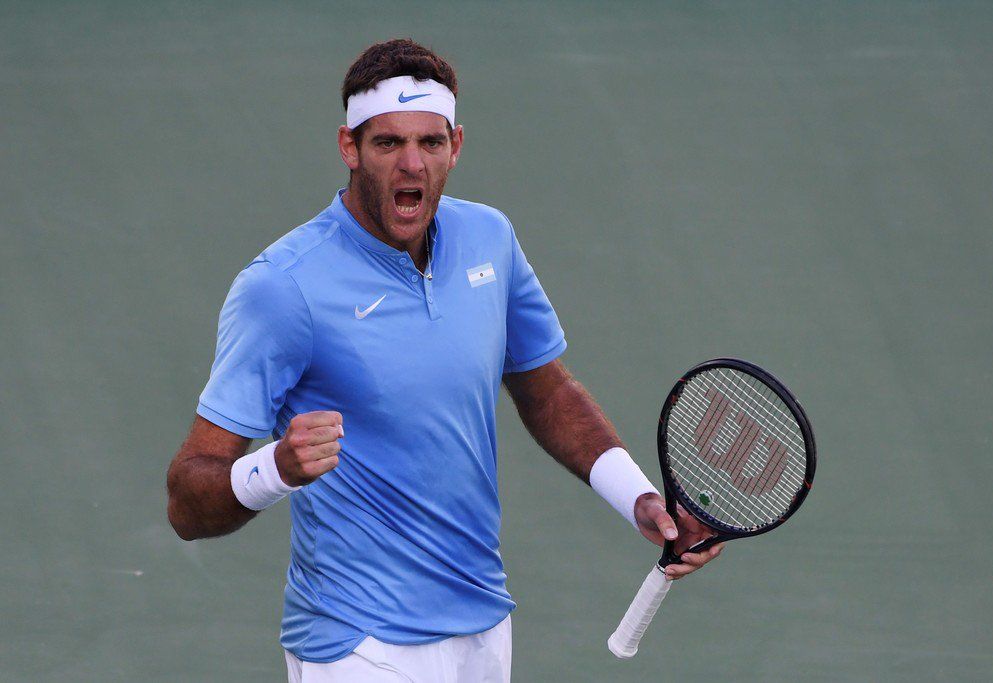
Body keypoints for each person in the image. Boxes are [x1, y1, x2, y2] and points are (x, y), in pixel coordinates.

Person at [166, 38, 722, 682]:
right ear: (349, 147)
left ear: (455, 146)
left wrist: (641, 501)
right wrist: (275, 468)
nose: (412, 165)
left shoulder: (490, 238)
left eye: (430, 142)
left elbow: (547, 392)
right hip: (357, 641)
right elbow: (186, 502)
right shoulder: (283, 287)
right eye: (387, 143)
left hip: (481, 625)